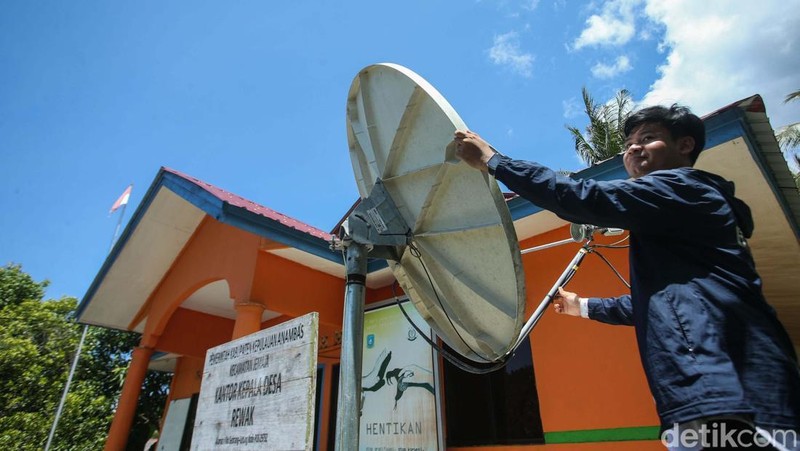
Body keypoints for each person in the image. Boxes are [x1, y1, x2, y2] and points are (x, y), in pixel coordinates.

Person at [454, 104, 800, 450]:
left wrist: (494, 161)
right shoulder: (683, 218)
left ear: (685, 145)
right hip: (720, 400)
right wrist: (584, 306)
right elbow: (656, 308)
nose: (633, 148)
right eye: (629, 142)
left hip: (728, 396)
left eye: (648, 138)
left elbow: (583, 197)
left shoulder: (684, 189)